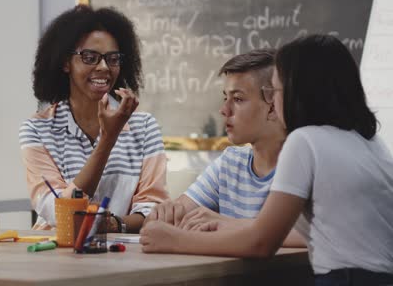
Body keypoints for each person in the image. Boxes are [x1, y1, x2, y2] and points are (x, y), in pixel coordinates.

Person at [140, 34, 393, 285]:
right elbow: (313, 233)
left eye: (279, 90)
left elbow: (262, 243)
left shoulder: (305, 141)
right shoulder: (368, 141)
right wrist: (226, 224)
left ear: (300, 93)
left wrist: (173, 240)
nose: (275, 100)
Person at [19, 5, 168, 233]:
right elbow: (62, 215)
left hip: (124, 254)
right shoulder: (37, 129)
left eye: (113, 58)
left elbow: (153, 209)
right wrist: (108, 140)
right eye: (89, 57)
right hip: (57, 256)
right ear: (65, 62)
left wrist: (114, 224)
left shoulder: (144, 127)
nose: (104, 67)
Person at [144, 49, 304, 247]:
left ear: (272, 106)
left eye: (238, 99)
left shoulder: (303, 165)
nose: (224, 110)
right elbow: (165, 221)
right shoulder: (229, 163)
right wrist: (164, 214)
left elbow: (310, 235)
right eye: (225, 98)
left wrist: (227, 224)